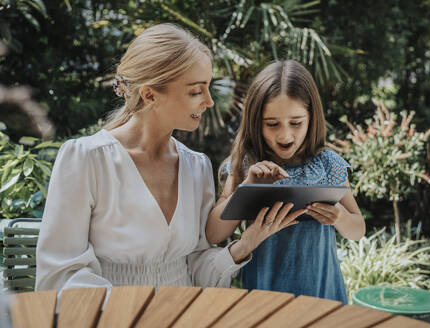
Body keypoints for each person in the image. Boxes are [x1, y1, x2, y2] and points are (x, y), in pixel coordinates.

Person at [35, 24, 305, 295]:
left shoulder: (196, 166)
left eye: (208, 88)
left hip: (183, 314)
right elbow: (60, 276)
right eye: (196, 91)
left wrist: (245, 244)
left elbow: (196, 268)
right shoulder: (87, 159)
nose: (209, 101)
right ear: (150, 94)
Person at [205, 60, 365, 303]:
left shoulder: (328, 163)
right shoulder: (244, 164)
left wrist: (340, 217)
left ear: (312, 117)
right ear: (255, 121)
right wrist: (248, 187)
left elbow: (358, 229)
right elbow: (214, 234)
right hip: (264, 297)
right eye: (272, 124)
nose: (285, 135)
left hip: (322, 297)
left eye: (296, 122)